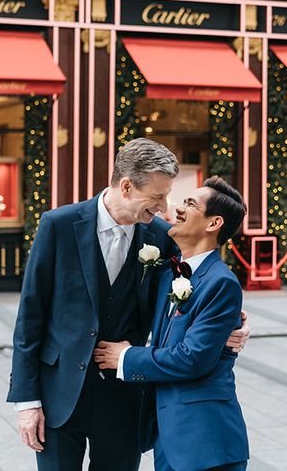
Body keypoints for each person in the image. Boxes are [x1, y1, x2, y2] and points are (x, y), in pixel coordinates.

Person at [6, 138, 249, 471]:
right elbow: (30, 317)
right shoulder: (58, 225)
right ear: (126, 187)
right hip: (59, 396)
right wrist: (26, 401)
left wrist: (235, 325)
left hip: (125, 397)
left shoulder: (163, 236)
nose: (165, 207)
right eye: (157, 196)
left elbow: (203, 279)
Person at [93, 176, 250, 471]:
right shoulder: (168, 273)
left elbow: (192, 359)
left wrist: (125, 357)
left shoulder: (221, 283)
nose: (177, 208)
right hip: (169, 439)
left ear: (213, 223)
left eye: (190, 203)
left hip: (206, 442)